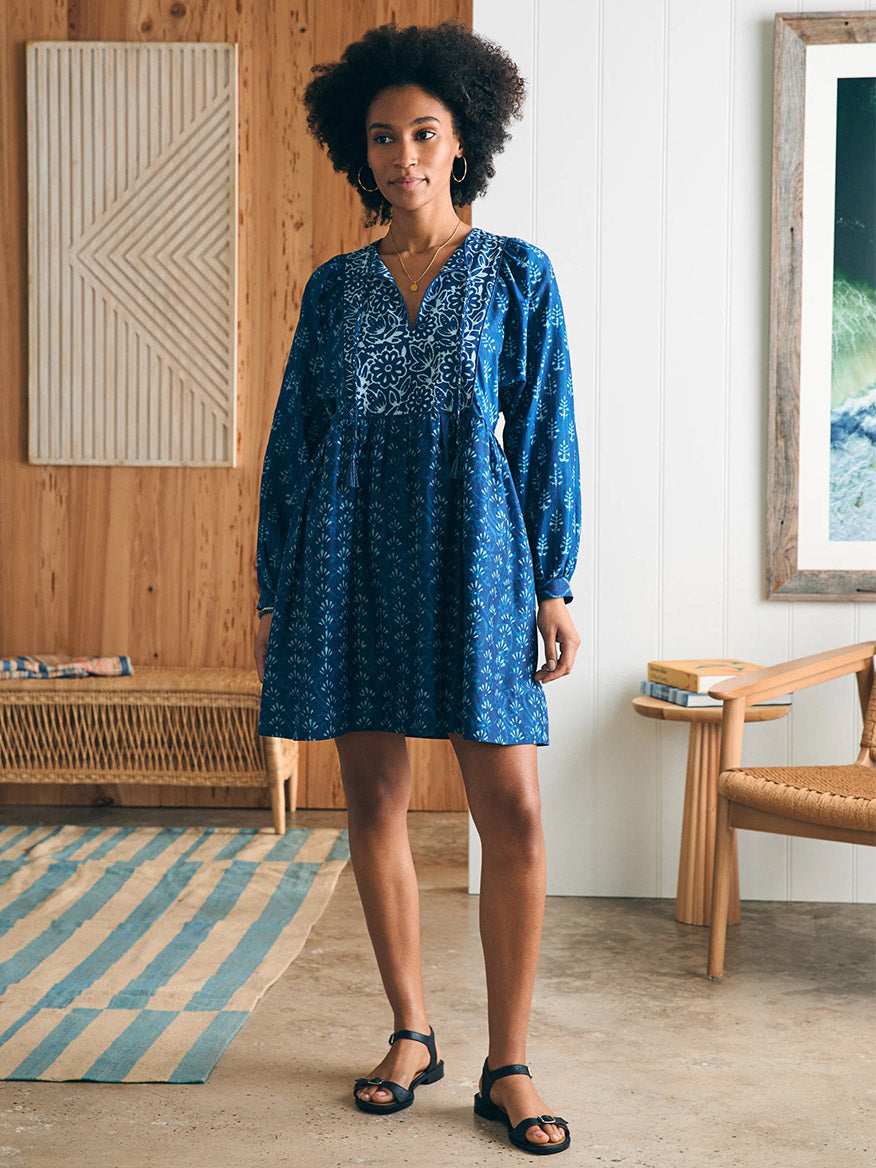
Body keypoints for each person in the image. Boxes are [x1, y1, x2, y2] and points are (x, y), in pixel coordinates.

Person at [254, 21, 580, 1156]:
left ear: (462, 143)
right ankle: (411, 1032)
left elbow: (543, 432)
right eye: (383, 137)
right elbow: (295, 439)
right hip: (349, 549)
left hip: (480, 550)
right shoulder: (335, 289)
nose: (404, 154)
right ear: (364, 152)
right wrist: (274, 584)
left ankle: (509, 1062)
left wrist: (557, 578)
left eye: (424, 133)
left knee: (516, 812)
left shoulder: (518, 274)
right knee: (378, 799)